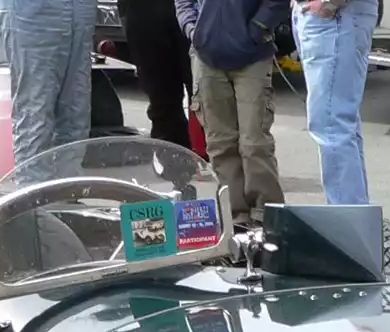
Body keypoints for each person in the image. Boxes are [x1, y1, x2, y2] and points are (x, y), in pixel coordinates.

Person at [177, 0, 283, 226]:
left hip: (253, 55)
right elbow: (183, 2)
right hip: (206, 56)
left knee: (254, 143)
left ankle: (266, 215)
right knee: (220, 143)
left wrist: (257, 28)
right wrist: (193, 29)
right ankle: (235, 216)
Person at [292, 0, 375, 205]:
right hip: (323, 15)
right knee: (337, 121)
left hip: (334, 16)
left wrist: (329, 3)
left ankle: (347, 218)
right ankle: (355, 215)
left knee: (331, 124)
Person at [0, 0, 98, 166]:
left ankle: (68, 181)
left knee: (75, 115)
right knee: (35, 115)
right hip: (32, 13)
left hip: (79, 9)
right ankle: (34, 182)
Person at [117, 0, 193, 149]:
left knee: (206, 96)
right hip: (142, 11)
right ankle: (172, 157)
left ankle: (215, 158)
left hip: (193, 8)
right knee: (161, 100)